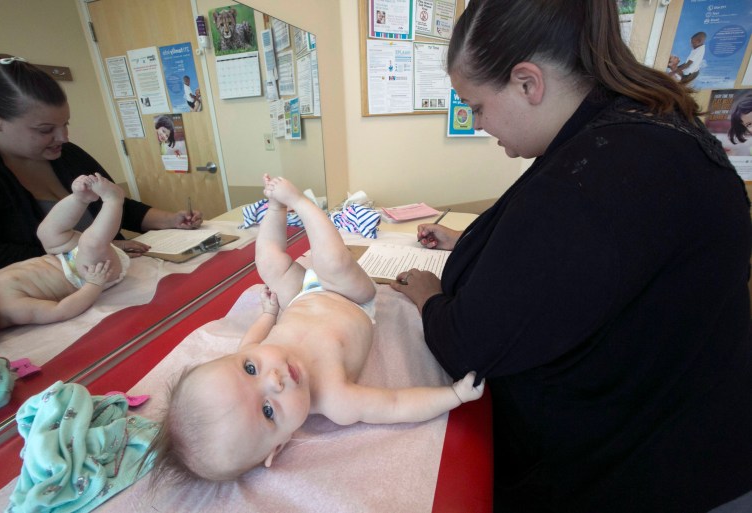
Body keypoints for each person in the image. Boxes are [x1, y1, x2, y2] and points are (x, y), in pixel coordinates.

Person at [390, 1, 752, 512]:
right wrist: (477, 244)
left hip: (657, 475)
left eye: (476, 107)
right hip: (697, 429)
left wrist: (428, 297)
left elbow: (470, 345)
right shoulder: (635, 130)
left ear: (527, 83)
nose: (480, 125)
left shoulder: (596, 176)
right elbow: (585, 259)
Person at [146, 174, 484, 482]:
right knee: (331, 262)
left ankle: (277, 208)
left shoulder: (249, 350)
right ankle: (303, 204)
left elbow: (258, 333)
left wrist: (268, 312)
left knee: (267, 262)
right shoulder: (335, 398)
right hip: (352, 299)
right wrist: (453, 395)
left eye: (250, 368)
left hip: (300, 299)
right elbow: (395, 404)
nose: (273, 379)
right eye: (268, 411)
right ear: (276, 448)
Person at [0, 54, 204, 278]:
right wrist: (96, 248)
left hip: (114, 276)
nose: (64, 137)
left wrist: (170, 220)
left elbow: (117, 207)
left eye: (65, 124)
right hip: (51, 298)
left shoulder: (67, 155)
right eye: (45, 130)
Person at [0, 173, 129, 345]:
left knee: (46, 233)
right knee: (89, 243)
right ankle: (113, 200)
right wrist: (94, 284)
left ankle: (80, 198)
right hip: (89, 273)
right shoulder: (12, 309)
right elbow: (60, 311)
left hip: (61, 256)